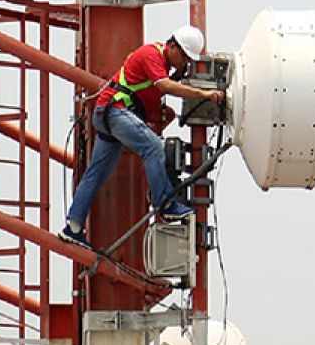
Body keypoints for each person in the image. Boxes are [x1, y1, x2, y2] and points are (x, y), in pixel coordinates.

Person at [59, 25, 225, 247]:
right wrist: (203, 94)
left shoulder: (162, 63)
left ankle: (73, 227)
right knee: (153, 147)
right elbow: (164, 86)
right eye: (183, 56)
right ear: (172, 45)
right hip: (116, 111)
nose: (184, 62)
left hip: (110, 114)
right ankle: (165, 204)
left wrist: (178, 76)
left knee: (97, 174)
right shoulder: (151, 54)